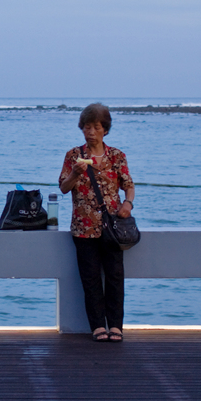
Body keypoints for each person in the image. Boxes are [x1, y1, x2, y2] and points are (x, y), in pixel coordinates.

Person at [59, 103, 135, 343]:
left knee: (115, 276)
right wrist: (75, 174)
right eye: (86, 127)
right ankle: (97, 326)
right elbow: (63, 187)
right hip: (83, 226)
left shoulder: (117, 156)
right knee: (90, 278)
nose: (90, 131)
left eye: (96, 127)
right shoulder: (74, 155)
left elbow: (128, 186)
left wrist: (127, 204)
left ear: (105, 129)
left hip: (112, 228)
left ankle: (116, 326)